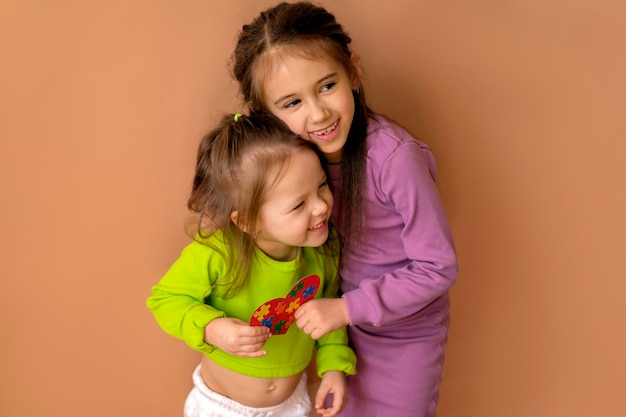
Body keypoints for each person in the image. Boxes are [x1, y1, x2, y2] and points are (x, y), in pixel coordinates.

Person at [230, 2, 459, 416]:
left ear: (353, 71)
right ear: (265, 114)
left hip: (403, 337)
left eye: (326, 86)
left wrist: (346, 309)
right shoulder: (294, 166)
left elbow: (438, 266)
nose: (318, 114)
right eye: (291, 103)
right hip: (335, 331)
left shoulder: (394, 160)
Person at [147, 113, 357, 417]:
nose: (322, 206)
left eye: (322, 185)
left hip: (292, 404)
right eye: (299, 204)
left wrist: (334, 367)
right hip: (222, 408)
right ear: (248, 220)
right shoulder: (217, 253)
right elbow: (164, 300)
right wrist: (212, 329)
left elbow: (328, 313)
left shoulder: (323, 251)